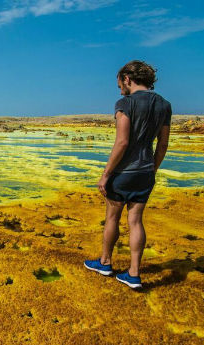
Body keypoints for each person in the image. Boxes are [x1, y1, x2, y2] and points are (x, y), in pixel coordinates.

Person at [83, 60, 172, 289]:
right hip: (145, 172)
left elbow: (122, 142)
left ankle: (105, 262)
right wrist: (152, 168)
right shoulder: (164, 105)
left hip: (123, 172)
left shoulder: (125, 103)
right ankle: (133, 273)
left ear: (127, 79)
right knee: (135, 221)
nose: (119, 88)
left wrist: (105, 174)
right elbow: (162, 144)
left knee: (112, 217)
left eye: (120, 82)